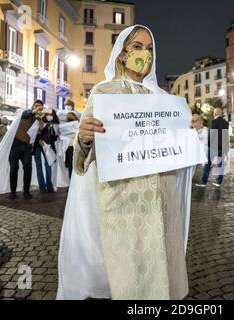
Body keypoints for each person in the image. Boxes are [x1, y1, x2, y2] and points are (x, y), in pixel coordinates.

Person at [57, 25, 195, 300]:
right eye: (137, 47)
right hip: (123, 203)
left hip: (162, 200)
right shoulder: (104, 92)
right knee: (129, 277)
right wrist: (84, 138)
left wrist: (191, 132)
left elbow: (178, 151)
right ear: (121, 54)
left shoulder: (165, 100)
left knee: (162, 275)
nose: (146, 55)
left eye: (150, 48)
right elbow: (86, 156)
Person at [9, 100, 44, 200]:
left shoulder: (38, 119)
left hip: (27, 146)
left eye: (40, 107)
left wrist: (40, 119)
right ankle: (12, 192)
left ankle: (26, 192)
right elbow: (25, 114)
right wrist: (34, 111)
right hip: (16, 144)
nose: (38, 108)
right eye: (36, 106)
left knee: (28, 167)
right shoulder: (26, 112)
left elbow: (41, 129)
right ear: (33, 107)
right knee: (13, 168)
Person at [196, 107, 229, 188]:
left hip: (213, 147)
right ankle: (218, 182)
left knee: (207, 165)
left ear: (215, 114)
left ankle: (204, 182)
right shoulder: (226, 123)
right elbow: (225, 136)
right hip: (222, 147)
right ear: (221, 113)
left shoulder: (214, 121)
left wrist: (208, 144)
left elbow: (212, 135)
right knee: (220, 165)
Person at [34, 108, 59, 193]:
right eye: (47, 115)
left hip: (48, 146)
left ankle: (49, 185)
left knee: (48, 165)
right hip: (38, 146)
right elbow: (34, 133)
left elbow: (54, 138)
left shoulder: (55, 125)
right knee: (39, 166)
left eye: (51, 115)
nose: (49, 116)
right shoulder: (40, 122)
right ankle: (42, 187)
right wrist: (38, 140)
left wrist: (56, 135)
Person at [64, 111, 79, 179]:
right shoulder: (65, 126)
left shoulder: (78, 124)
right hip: (69, 148)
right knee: (70, 167)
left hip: (75, 147)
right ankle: (71, 185)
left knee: (75, 166)